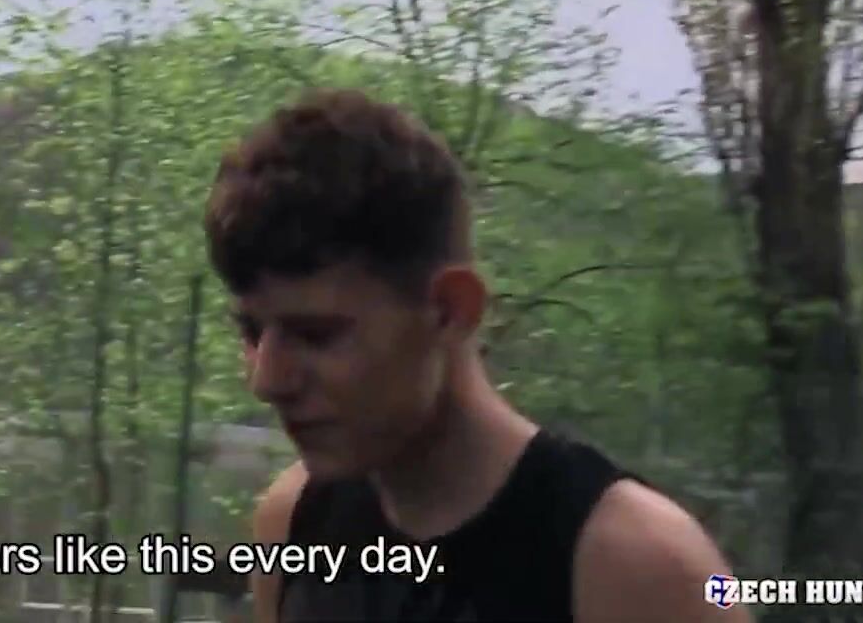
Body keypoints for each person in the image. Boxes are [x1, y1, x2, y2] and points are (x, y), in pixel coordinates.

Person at [202, 89, 748, 622]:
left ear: (449, 310)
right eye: (252, 331)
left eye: (316, 334)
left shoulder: (642, 566)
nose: (267, 379)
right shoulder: (292, 525)